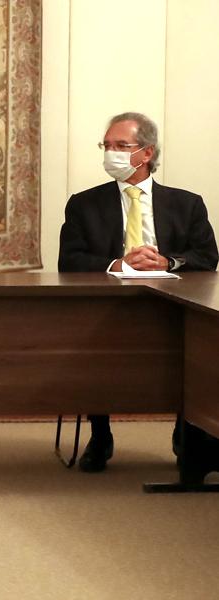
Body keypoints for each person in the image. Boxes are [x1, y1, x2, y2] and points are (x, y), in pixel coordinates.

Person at [59, 112, 219, 476]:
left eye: (121, 146)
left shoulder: (186, 203)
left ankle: (189, 436)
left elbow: (207, 258)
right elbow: (69, 260)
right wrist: (118, 264)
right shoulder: (84, 204)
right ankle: (100, 436)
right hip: (105, 308)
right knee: (96, 355)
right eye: (107, 146)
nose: (110, 153)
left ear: (146, 153)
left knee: (195, 354)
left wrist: (167, 260)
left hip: (173, 305)